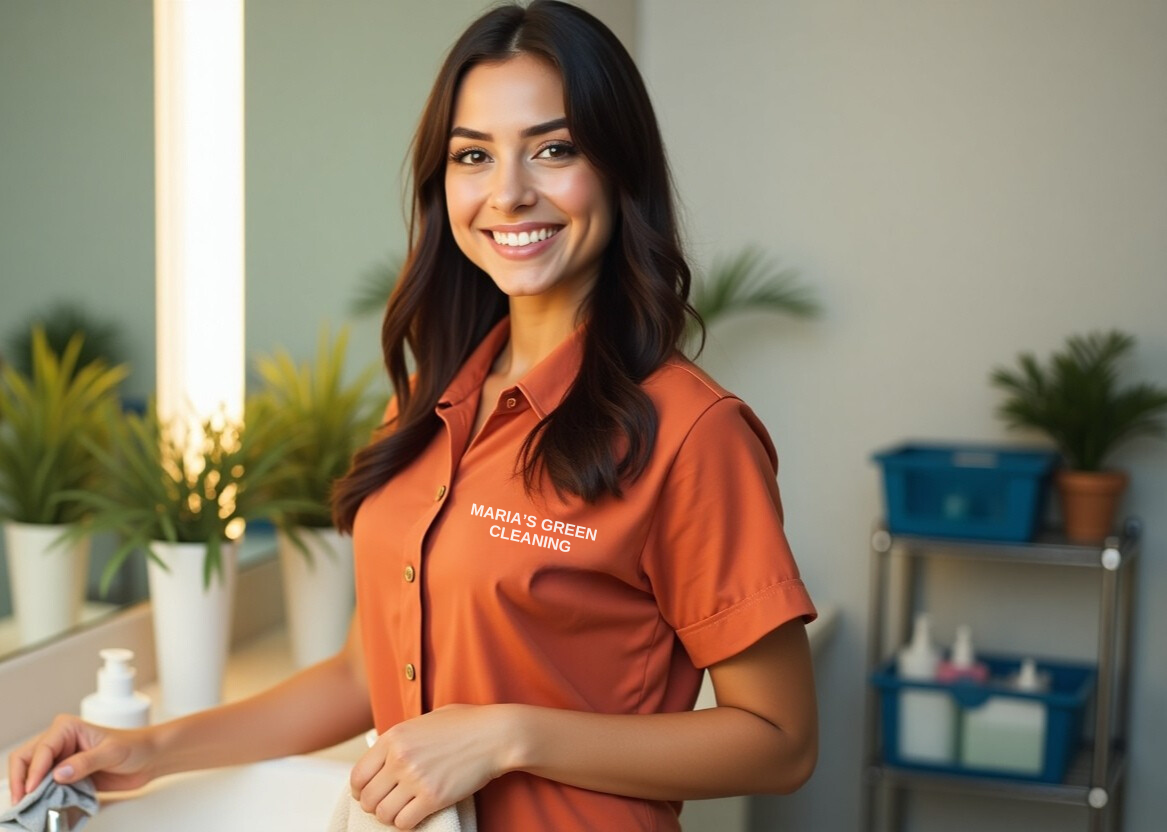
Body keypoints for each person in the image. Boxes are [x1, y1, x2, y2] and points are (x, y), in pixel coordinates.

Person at [7, 3, 817, 830]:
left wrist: (509, 736)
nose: (508, 192)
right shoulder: (426, 405)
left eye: (554, 148)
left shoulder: (690, 430)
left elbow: (780, 741)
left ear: (618, 169)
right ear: (442, 183)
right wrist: (148, 750)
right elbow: (363, 675)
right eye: (473, 155)